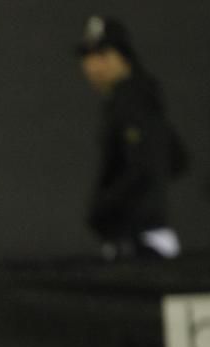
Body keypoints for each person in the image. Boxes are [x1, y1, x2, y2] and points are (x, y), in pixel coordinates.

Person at [76, 15, 187, 261]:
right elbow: (177, 159)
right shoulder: (137, 98)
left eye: (102, 55)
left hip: (141, 241)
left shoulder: (132, 101)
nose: (92, 65)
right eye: (88, 56)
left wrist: (103, 208)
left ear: (122, 57)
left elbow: (145, 166)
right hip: (147, 236)